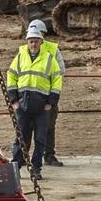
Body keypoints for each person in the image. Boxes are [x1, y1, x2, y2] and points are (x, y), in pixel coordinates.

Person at [7, 22, 63, 181]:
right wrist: (14, 100)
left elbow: (57, 79)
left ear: (41, 41)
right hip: (23, 105)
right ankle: (16, 167)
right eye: (31, 41)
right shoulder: (20, 57)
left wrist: (50, 102)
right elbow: (11, 76)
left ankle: (36, 168)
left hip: (41, 106)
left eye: (36, 41)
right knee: (21, 137)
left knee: (40, 138)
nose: (33, 44)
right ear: (27, 42)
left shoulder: (49, 59)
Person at [34, 21, 67, 168]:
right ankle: (25, 157)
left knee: (48, 126)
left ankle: (48, 155)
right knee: (27, 127)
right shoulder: (25, 50)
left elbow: (60, 71)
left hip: (47, 95)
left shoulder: (52, 50)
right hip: (31, 95)